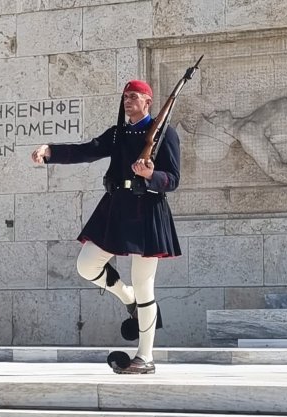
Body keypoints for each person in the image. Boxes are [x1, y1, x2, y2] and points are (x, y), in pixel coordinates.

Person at [31, 80, 181, 375]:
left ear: (148, 102)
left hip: (147, 208)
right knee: (87, 266)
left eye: (134, 97)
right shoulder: (118, 134)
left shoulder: (166, 134)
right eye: (126, 97)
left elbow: (173, 179)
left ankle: (145, 356)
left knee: (144, 284)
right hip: (116, 207)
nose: (128, 101)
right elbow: (85, 151)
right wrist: (50, 151)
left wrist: (152, 175)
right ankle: (127, 299)